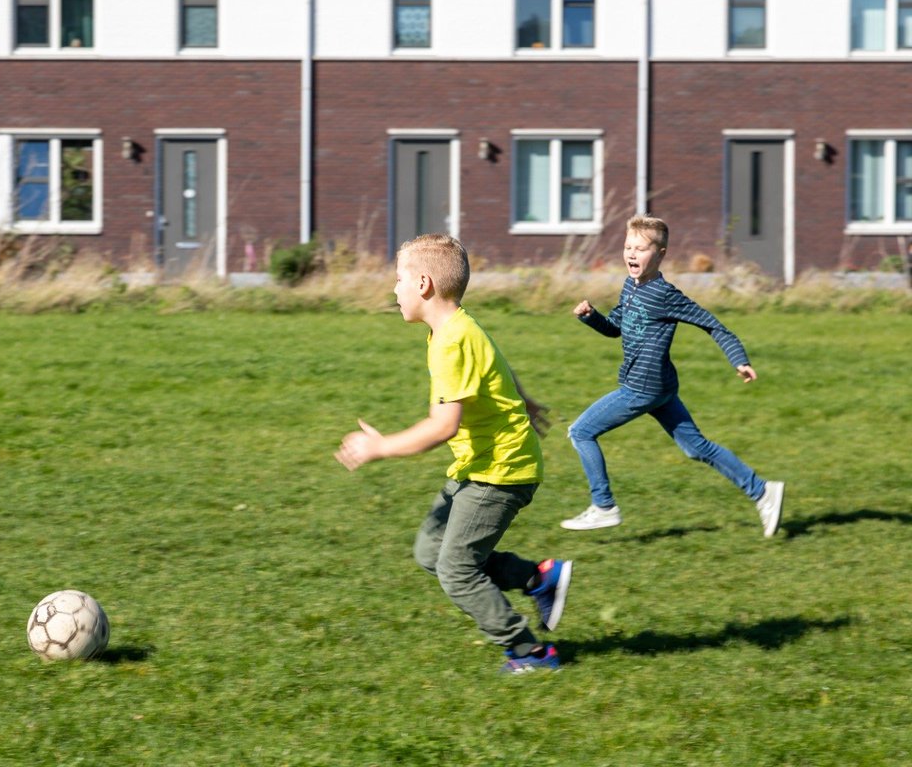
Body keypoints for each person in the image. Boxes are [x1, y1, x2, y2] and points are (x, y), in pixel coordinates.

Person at [335, 233, 572, 674]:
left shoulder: (451, 342)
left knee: (458, 570)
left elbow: (443, 425)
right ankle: (539, 577)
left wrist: (379, 447)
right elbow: (496, 364)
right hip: (478, 465)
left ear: (423, 284)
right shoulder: (456, 327)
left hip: (501, 473)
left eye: (399, 279)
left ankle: (530, 653)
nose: (394, 289)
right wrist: (524, 399)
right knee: (431, 552)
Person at [560, 214, 784, 536]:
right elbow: (616, 329)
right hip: (660, 387)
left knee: (580, 432)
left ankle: (604, 506)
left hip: (642, 388)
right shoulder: (630, 286)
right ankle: (762, 491)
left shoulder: (665, 294)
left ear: (661, 253)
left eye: (640, 248)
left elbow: (712, 324)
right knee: (696, 448)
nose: (631, 254)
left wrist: (739, 359)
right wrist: (592, 317)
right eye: (627, 247)